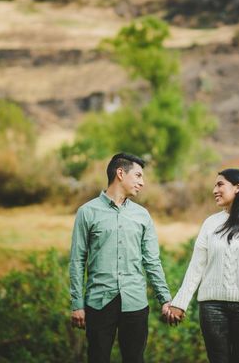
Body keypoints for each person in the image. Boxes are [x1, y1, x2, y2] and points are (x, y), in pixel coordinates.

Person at [167, 168, 239, 363]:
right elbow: (196, 266)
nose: (214, 190)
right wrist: (180, 303)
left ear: (238, 187)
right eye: (215, 185)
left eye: (220, 184)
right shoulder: (210, 223)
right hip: (212, 307)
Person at [69, 152, 172, 363]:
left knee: (135, 359)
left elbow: (152, 261)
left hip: (135, 302)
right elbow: (77, 260)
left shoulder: (142, 215)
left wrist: (165, 299)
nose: (142, 183)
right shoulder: (87, 212)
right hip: (98, 302)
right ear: (120, 174)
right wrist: (77, 304)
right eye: (138, 176)